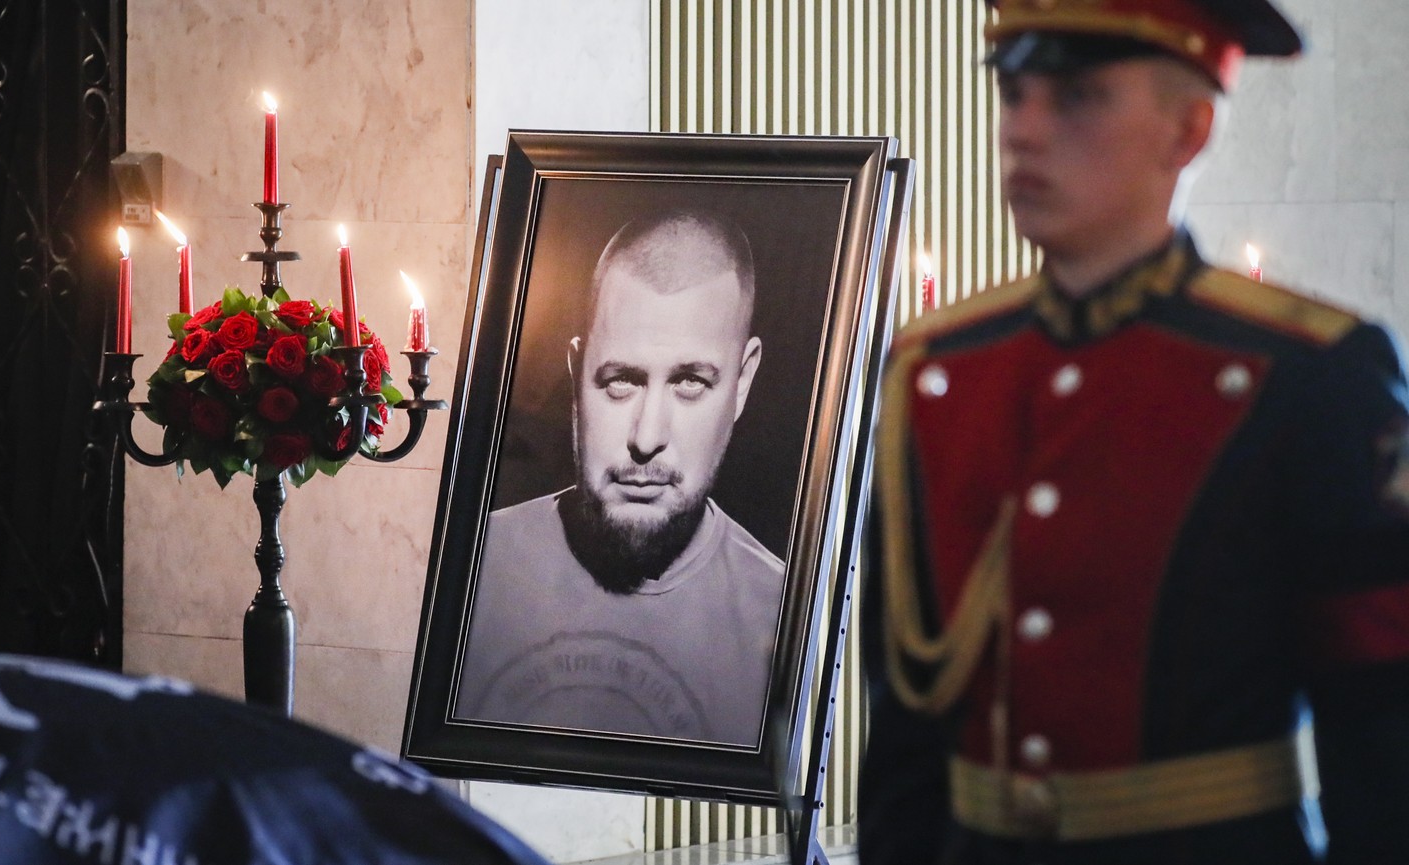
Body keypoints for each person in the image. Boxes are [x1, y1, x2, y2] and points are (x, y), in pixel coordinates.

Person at [860, 0, 1409, 862]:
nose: (1024, 131)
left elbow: (1382, 734)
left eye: (1077, 96)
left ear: (1187, 132)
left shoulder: (1308, 374)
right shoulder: (939, 370)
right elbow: (905, 727)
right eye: (1013, 93)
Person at [457, 208, 786, 747]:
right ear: (577, 372)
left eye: (690, 382)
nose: (647, 436)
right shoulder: (471, 565)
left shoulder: (783, 611)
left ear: (742, 382)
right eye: (620, 381)